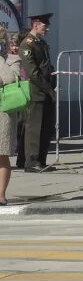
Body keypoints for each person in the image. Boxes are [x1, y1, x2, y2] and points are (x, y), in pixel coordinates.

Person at [18, 13, 56, 173]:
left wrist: (53, 86)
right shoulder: (28, 44)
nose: (47, 28)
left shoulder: (41, 43)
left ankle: (41, 159)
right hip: (36, 91)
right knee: (34, 127)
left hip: (47, 90)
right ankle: (31, 161)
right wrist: (47, 89)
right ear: (36, 25)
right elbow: (33, 72)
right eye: (44, 26)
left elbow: (48, 66)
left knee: (46, 127)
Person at [0, 28, 23, 203]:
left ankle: (1, 195)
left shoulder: (12, 59)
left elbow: (9, 79)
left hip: (3, 112)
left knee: (2, 154)